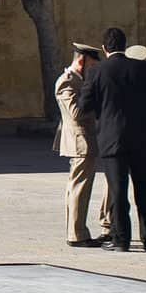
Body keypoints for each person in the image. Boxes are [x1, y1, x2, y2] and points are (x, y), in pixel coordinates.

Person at [77, 26, 146, 252]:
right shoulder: (143, 67)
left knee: (118, 191)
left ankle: (121, 240)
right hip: (142, 137)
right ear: (125, 46)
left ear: (103, 48)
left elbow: (84, 106)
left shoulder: (97, 71)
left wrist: (103, 107)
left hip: (112, 138)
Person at [56, 41, 107, 247]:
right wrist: (91, 91)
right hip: (80, 141)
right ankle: (77, 234)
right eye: (92, 66)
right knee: (79, 188)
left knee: (79, 187)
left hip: (85, 140)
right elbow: (75, 112)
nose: (93, 71)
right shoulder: (67, 81)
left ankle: (77, 232)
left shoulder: (78, 80)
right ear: (81, 61)